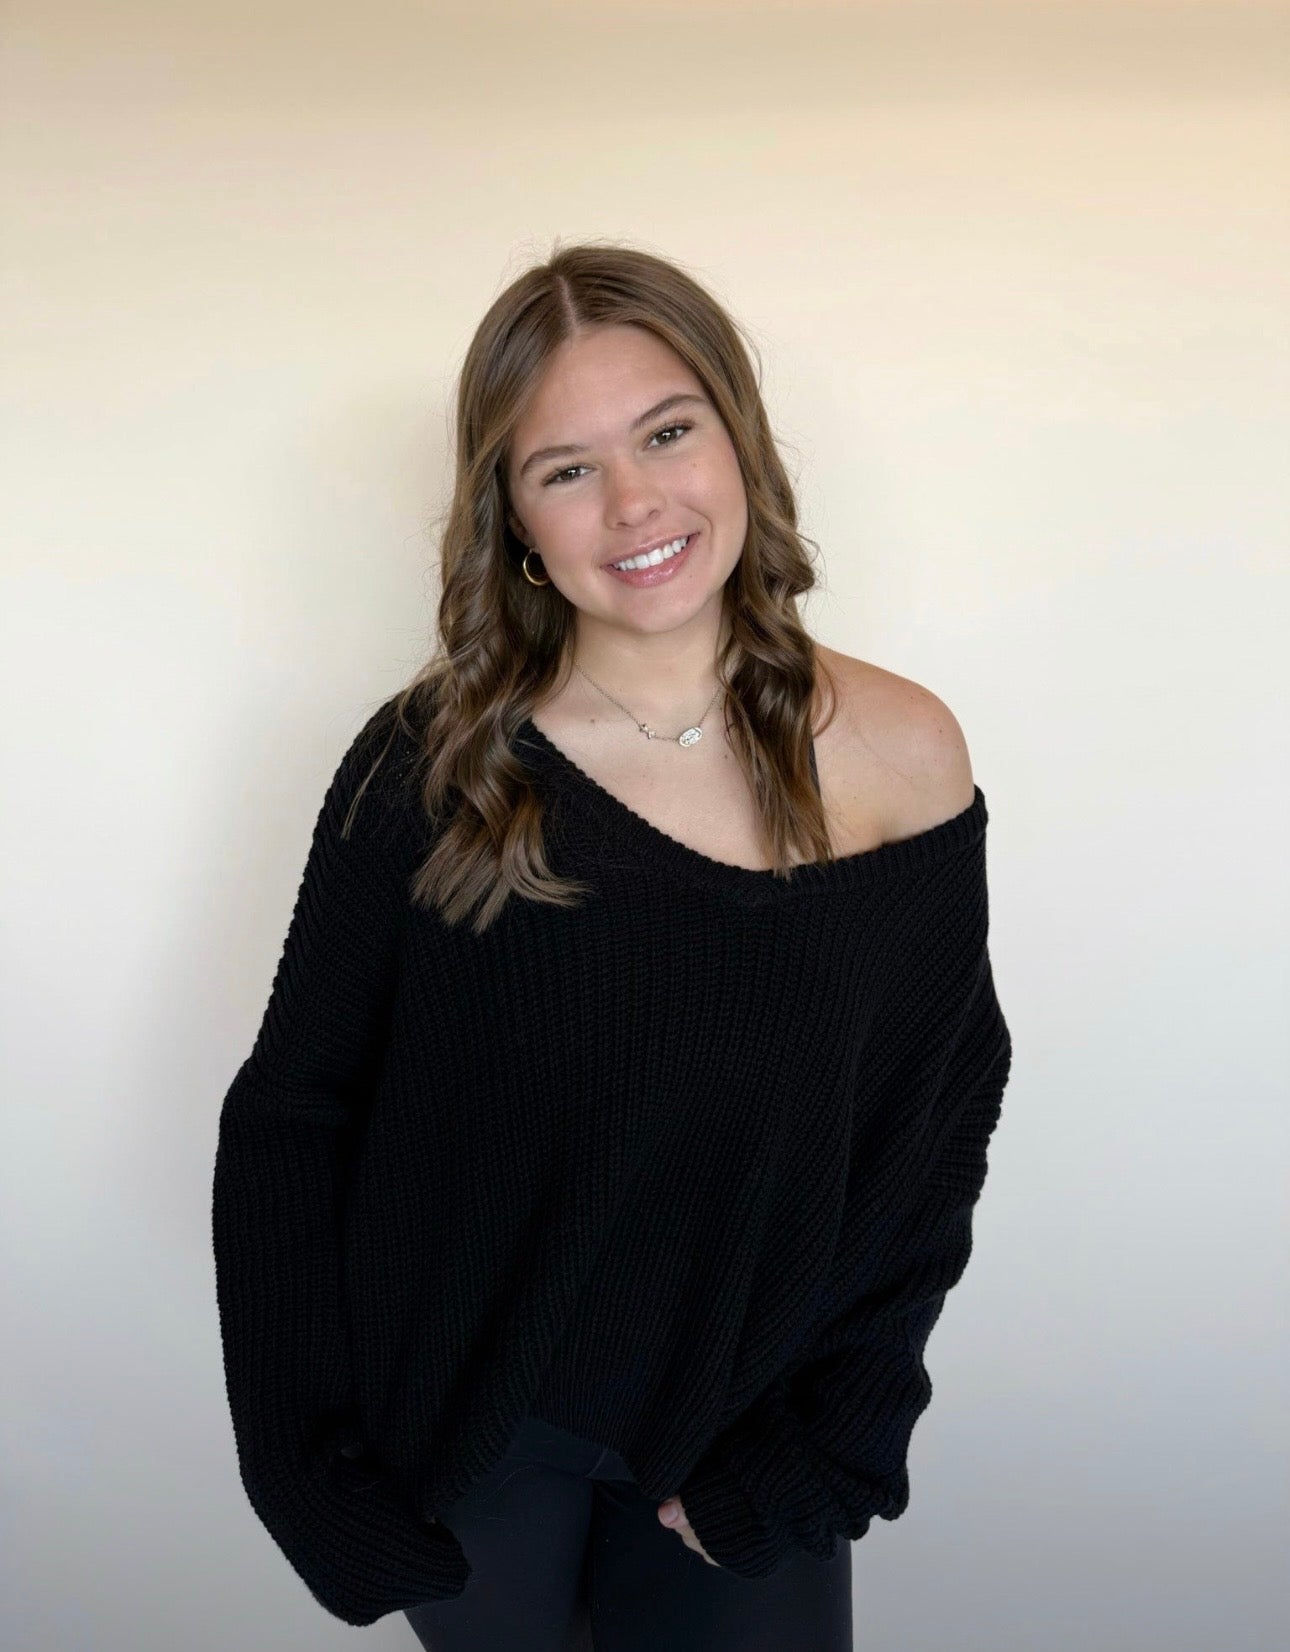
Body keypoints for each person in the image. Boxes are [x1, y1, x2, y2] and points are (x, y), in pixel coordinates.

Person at [211, 240, 1014, 1651]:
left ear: (736, 441)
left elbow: (932, 1128)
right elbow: (293, 1115)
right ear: (511, 517)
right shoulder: (431, 773)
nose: (633, 502)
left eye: (665, 432)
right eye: (564, 467)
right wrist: (300, 1463)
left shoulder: (902, 752)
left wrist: (836, 1434)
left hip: (740, 1429)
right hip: (465, 1441)